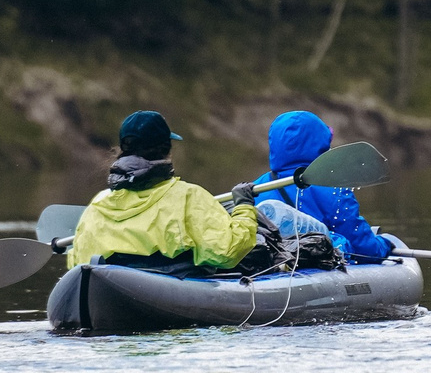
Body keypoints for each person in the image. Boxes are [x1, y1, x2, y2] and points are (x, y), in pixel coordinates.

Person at [67, 110, 259, 273]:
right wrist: (244, 207)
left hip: (109, 292)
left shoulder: (98, 203)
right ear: (167, 150)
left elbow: (75, 263)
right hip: (168, 293)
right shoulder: (189, 197)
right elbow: (228, 252)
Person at [251, 111, 393, 264]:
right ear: (320, 146)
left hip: (267, 268)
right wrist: (386, 245)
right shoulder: (334, 189)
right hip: (314, 268)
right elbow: (364, 247)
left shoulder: (254, 189)